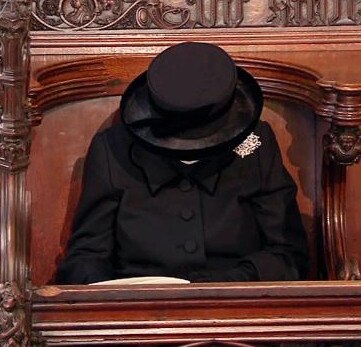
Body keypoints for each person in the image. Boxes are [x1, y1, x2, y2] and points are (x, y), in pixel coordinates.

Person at [56, 42, 309, 284]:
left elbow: (289, 254)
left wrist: (225, 284)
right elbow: (85, 259)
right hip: (141, 314)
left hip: (239, 307)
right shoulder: (113, 150)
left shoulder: (254, 143)